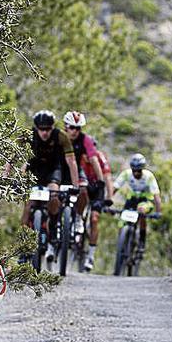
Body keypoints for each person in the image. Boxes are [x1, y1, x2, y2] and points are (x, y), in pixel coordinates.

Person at [62, 111, 114, 271]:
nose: (75, 131)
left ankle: (90, 256)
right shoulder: (77, 158)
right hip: (83, 186)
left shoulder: (98, 158)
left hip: (96, 188)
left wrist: (109, 196)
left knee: (94, 219)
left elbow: (107, 178)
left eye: (78, 129)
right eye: (72, 128)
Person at [19, 111, 83, 241]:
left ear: (52, 127)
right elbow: (11, 157)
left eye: (48, 129)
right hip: (34, 170)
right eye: (41, 129)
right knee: (28, 204)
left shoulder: (61, 136)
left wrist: (76, 186)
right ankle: (23, 244)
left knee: (54, 195)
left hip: (53, 170)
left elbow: (72, 162)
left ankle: (53, 225)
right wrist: (7, 177)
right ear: (36, 128)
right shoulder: (28, 135)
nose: (45, 133)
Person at [113, 153, 162, 248]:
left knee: (141, 210)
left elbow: (156, 195)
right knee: (121, 222)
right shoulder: (127, 174)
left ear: (142, 169)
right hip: (132, 199)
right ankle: (122, 244)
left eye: (138, 171)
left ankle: (141, 243)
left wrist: (158, 211)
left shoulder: (149, 176)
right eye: (134, 170)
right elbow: (115, 187)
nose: (136, 173)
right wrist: (108, 201)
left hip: (146, 200)